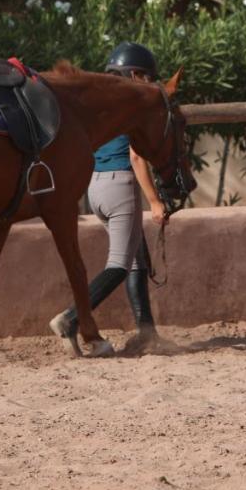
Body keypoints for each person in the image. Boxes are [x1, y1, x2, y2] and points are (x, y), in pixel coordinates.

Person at [49, 41, 171, 354]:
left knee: (136, 258)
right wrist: (155, 201)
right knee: (119, 265)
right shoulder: (131, 106)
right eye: (145, 76)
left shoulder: (98, 104)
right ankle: (71, 318)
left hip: (96, 188)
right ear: (134, 74)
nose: (147, 83)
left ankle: (147, 332)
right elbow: (136, 157)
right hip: (121, 186)